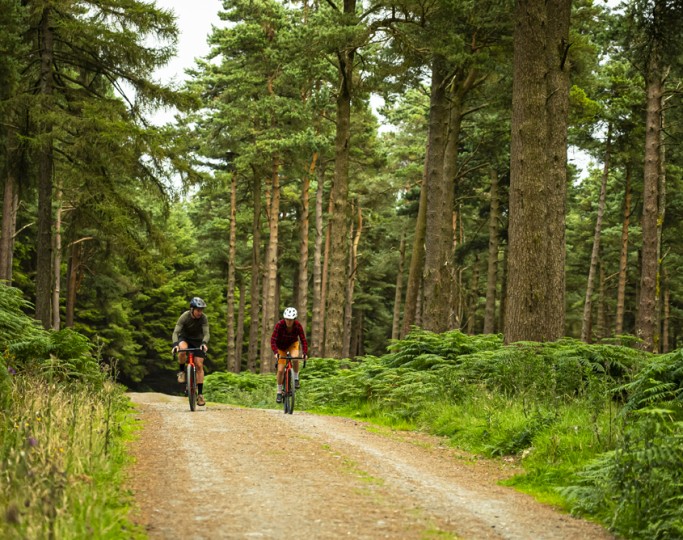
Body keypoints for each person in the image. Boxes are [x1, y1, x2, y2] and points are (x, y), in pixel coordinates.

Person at [172, 297, 210, 406]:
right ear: (192, 309)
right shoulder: (184, 317)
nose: (200, 312)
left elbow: (206, 333)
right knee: (182, 350)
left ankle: (200, 395)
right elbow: (175, 332)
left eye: (201, 310)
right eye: (198, 310)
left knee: (199, 365)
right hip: (185, 338)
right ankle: (181, 372)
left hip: (198, 341)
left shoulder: (203, 318)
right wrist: (175, 345)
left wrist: (204, 343)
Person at [271, 307, 308, 403]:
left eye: (291, 320)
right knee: (280, 370)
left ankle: (295, 378)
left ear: (294, 319)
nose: (288, 322)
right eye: (287, 319)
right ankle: (279, 392)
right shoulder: (279, 325)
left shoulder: (298, 326)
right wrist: (276, 353)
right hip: (281, 347)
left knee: (295, 358)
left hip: (292, 344)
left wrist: (304, 353)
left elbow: (303, 340)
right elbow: (273, 340)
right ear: (284, 318)